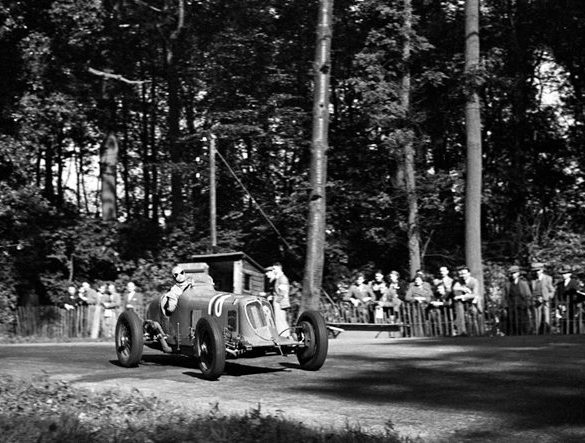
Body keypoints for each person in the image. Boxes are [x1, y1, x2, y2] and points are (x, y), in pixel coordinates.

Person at [453, 265, 483, 336]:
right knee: (461, 315)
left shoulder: (474, 281)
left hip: (473, 301)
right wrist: (464, 289)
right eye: (461, 274)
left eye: (464, 273)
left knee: (474, 314)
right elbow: (454, 288)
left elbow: (475, 294)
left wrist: (463, 296)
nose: (463, 275)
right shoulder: (459, 281)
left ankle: (477, 333)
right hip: (464, 302)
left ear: (469, 273)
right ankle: (463, 332)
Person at [502, 265, 531, 335]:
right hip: (511, 305)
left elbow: (528, 295)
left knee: (522, 321)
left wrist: (526, 304)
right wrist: (505, 305)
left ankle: (523, 333)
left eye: (514, 273)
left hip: (521, 305)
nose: (513, 275)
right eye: (511, 273)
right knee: (512, 321)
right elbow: (505, 295)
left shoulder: (523, 283)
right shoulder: (508, 284)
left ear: (518, 273)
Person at [266, 262, 292, 338]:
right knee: (280, 320)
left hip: (280, 303)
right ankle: (284, 336)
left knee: (280, 320)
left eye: (274, 268)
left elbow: (283, 293)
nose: (273, 270)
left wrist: (276, 301)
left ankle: (284, 336)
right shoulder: (279, 278)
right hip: (279, 302)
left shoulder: (282, 278)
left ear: (279, 268)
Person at [529, 263, 555, 334]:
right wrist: (534, 299)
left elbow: (552, 290)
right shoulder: (533, 280)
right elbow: (532, 292)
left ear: (542, 270)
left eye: (538, 270)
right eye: (535, 270)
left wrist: (546, 298)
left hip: (545, 301)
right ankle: (537, 332)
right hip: (536, 301)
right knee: (537, 318)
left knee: (547, 317)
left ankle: (548, 332)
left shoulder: (548, 278)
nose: (537, 272)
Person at [556, 266, 582, 334]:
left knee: (571, 319)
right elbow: (558, 295)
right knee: (563, 319)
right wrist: (560, 304)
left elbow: (577, 293)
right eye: (563, 274)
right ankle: (564, 332)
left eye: (566, 273)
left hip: (572, 304)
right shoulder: (560, 284)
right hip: (563, 304)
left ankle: (572, 331)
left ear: (570, 274)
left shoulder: (574, 282)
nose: (564, 275)